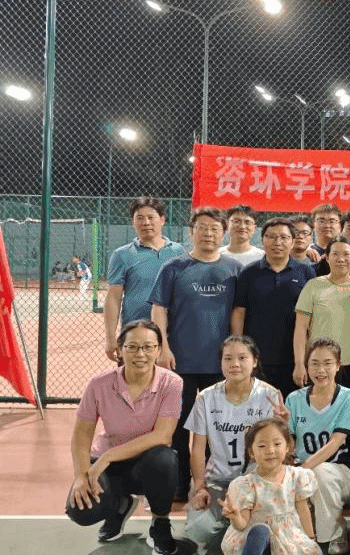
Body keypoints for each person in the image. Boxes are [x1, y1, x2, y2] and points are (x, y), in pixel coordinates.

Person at [66, 320, 182, 555]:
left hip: (148, 465)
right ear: (120, 350)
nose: (141, 354)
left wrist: (108, 456)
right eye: (132, 347)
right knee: (81, 510)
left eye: (148, 347)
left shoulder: (172, 383)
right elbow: (81, 435)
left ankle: (160, 522)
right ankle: (119, 507)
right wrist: (80, 475)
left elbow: (162, 435)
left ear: (159, 350)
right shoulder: (98, 384)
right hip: (108, 468)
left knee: (165, 459)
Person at [150, 206, 242, 501]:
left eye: (215, 228)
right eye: (202, 227)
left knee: (218, 426)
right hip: (180, 361)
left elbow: (238, 313)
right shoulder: (174, 267)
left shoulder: (234, 269)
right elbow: (159, 309)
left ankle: (214, 482)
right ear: (191, 231)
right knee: (178, 426)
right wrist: (163, 347)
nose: (208, 234)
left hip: (220, 365)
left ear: (223, 233)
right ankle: (179, 482)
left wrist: (235, 354)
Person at [183, 335, 281, 554]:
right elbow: (197, 449)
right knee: (199, 531)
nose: (235, 364)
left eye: (242, 358)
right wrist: (199, 487)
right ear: (220, 363)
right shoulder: (206, 398)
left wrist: (282, 426)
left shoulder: (269, 396)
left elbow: (277, 454)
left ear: (255, 361)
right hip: (217, 479)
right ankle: (232, 532)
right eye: (228, 358)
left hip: (256, 480)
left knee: (265, 524)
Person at [281, 338, 350, 555]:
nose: (320, 370)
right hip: (301, 470)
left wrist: (300, 472)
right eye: (314, 363)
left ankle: (333, 537)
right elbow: (289, 445)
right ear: (306, 366)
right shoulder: (294, 399)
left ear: (338, 365)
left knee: (320, 473)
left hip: (341, 472)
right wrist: (283, 427)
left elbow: (336, 442)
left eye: (327, 363)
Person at [231, 218, 316, 397]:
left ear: (292, 241)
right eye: (271, 237)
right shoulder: (249, 273)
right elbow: (239, 311)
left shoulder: (305, 272)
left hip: (294, 357)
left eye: (284, 237)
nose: (277, 242)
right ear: (262, 240)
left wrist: (304, 358)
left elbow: (312, 316)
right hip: (257, 356)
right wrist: (238, 347)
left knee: (290, 407)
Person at [219, 417, 319, 555]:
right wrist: (235, 518)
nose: (270, 450)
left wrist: (311, 538)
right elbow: (242, 525)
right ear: (251, 452)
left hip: (288, 538)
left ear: (287, 447)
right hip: (257, 541)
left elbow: (303, 510)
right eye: (262, 446)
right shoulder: (247, 484)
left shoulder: (296, 476)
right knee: (260, 531)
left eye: (277, 444)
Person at [104, 196, 187, 361]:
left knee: (171, 378)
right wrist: (110, 337)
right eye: (140, 218)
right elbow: (114, 297)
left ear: (162, 220)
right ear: (132, 222)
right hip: (135, 335)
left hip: (173, 335)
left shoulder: (179, 252)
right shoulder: (122, 255)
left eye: (151, 217)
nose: (146, 222)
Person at [293, 236, 350, 390]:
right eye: (335, 254)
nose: (341, 259)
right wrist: (299, 364)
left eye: (346, 254)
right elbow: (301, 328)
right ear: (327, 258)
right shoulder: (313, 286)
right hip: (318, 365)